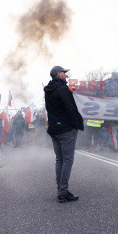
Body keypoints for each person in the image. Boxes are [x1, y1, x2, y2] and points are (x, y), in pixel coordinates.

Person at [44, 65, 84, 203]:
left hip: (55, 129)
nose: (66, 75)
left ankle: (60, 189)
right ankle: (63, 192)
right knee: (67, 160)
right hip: (66, 130)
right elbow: (70, 109)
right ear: (59, 74)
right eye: (64, 73)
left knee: (60, 159)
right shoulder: (62, 89)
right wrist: (76, 124)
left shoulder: (49, 90)